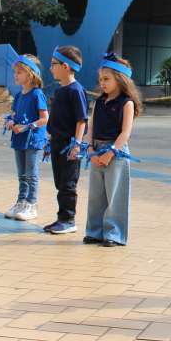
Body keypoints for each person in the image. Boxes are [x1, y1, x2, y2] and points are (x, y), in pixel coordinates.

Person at [84, 54, 142, 247]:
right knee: (96, 195)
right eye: (100, 79)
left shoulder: (127, 103)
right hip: (96, 149)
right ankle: (94, 232)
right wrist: (90, 149)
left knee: (115, 195)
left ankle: (114, 234)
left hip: (116, 152)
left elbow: (125, 133)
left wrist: (110, 153)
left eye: (106, 79)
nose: (102, 83)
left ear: (120, 79)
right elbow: (91, 128)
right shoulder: (99, 102)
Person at [43, 46, 89, 234]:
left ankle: (69, 220)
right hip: (57, 143)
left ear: (65, 66)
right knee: (60, 182)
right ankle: (61, 218)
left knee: (68, 184)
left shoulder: (76, 90)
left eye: (53, 64)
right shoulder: (60, 90)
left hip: (69, 145)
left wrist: (76, 145)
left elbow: (81, 120)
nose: (50, 68)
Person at [6, 55, 48, 220]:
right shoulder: (18, 96)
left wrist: (27, 126)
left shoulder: (37, 94)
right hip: (19, 140)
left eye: (19, 72)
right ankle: (21, 201)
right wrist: (10, 121)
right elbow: (14, 115)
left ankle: (32, 204)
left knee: (31, 174)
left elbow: (44, 118)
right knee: (22, 175)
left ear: (30, 74)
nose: (15, 75)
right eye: (15, 72)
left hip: (33, 141)